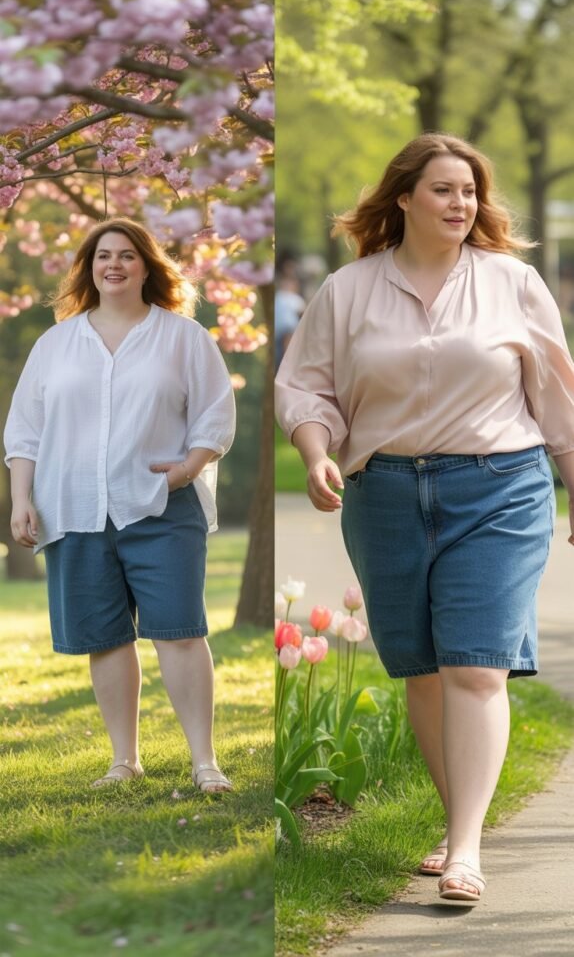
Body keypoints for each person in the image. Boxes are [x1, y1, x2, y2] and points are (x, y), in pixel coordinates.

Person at [275, 132, 574, 902]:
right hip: (385, 495)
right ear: (403, 197)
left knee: (474, 665)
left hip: (499, 486)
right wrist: (315, 454)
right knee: (422, 671)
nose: (461, 203)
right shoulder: (348, 290)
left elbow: (557, 400)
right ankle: (457, 825)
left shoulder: (513, 281)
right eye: (444, 190)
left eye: (470, 191)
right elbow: (307, 388)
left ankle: (467, 850)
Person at [4, 217, 236, 793]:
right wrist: (20, 500)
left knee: (180, 631)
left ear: (147, 266)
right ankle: (124, 760)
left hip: (161, 504)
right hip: (74, 508)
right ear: (88, 268)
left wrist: (190, 467)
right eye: (103, 255)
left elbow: (215, 415)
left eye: (128, 255)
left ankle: (205, 761)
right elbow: (24, 433)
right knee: (104, 639)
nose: (114, 264)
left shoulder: (184, 337)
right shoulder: (55, 344)